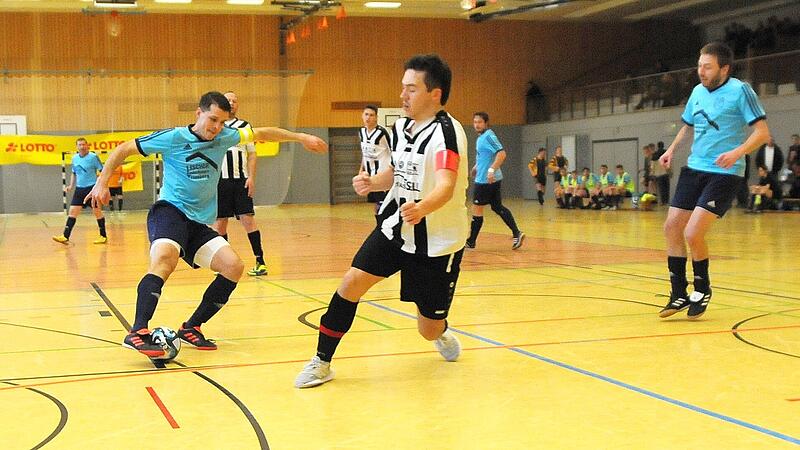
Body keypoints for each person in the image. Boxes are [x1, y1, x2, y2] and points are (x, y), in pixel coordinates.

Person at [85, 91, 327, 357]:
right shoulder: (174, 137)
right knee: (166, 259)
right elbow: (123, 149)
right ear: (198, 114)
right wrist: (101, 182)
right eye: (213, 119)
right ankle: (138, 332)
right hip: (169, 212)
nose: (216, 127)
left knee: (233, 267)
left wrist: (301, 137)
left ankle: (191, 328)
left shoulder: (225, 137)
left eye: (222, 122)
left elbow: (263, 133)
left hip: (197, 223)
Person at [294, 54, 468, 388]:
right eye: (402, 87)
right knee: (351, 283)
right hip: (395, 226)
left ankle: (440, 331)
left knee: (426, 329)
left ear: (435, 93)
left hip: (437, 240)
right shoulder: (400, 126)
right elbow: (399, 172)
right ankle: (322, 360)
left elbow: (446, 185)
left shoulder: (448, 133)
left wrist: (423, 208)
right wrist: (375, 182)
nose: (402, 95)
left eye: (411, 89)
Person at [658, 42, 769, 320]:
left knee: (693, 232)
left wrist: (737, 152)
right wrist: (672, 149)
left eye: (707, 67)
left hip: (725, 172)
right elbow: (688, 124)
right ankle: (678, 293)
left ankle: (703, 289)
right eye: (699, 66)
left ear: (725, 68)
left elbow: (762, 133)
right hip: (695, 168)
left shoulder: (740, 90)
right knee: (672, 226)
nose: (701, 72)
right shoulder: (697, 92)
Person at [212, 91, 269, 277]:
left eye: (235, 101)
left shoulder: (244, 127)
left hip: (240, 181)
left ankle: (260, 261)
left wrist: (251, 177)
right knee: (220, 223)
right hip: (220, 181)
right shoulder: (215, 126)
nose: (232, 103)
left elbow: (252, 154)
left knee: (248, 219)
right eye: (228, 100)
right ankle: (225, 263)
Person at [465, 112, 524, 250]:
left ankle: (471, 241)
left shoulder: (489, 136)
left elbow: (501, 153)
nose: (477, 125)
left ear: (486, 123)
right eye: (475, 122)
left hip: (486, 180)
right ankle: (517, 233)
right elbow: (485, 156)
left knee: (477, 209)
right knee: (497, 207)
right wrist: (476, 167)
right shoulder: (481, 138)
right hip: (488, 178)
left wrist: (491, 170)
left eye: (479, 122)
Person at [52, 137, 108, 245]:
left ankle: (103, 235)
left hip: (91, 188)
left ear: (87, 146)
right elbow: (74, 172)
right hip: (79, 189)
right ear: (77, 147)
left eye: (84, 144)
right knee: (72, 211)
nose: (82, 147)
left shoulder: (93, 157)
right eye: (80, 145)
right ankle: (65, 236)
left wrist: (101, 185)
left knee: (97, 212)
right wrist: (71, 185)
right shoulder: (75, 158)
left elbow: (102, 171)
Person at [358, 105, 392, 216]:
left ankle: (384, 228)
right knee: (376, 205)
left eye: (371, 115)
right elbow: (365, 154)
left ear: (376, 117)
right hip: (370, 175)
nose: (368, 118)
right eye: (366, 114)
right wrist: (361, 170)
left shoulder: (382, 133)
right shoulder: (361, 132)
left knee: (383, 205)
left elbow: (393, 151)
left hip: (382, 175)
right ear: (362, 116)